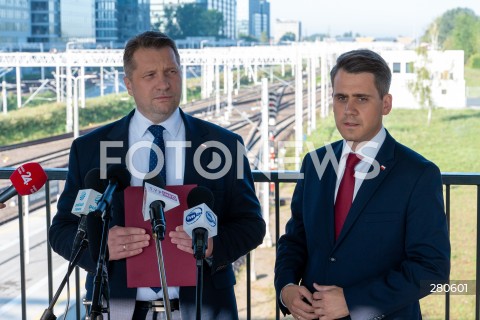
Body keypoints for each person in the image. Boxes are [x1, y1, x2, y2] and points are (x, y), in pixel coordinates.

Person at [49, 31, 266, 320]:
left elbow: (251, 225)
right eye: (149, 75)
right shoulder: (91, 150)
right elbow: (62, 228)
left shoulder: (223, 146)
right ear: (129, 85)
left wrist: (213, 245)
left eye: (171, 72)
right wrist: (101, 248)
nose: (163, 83)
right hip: (116, 308)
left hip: (204, 308)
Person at [274, 49, 450, 320]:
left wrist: (353, 302)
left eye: (362, 99)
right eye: (341, 97)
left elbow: (432, 270)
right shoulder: (314, 163)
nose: (349, 110)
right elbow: (295, 240)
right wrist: (286, 288)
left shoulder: (418, 174)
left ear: (386, 104)